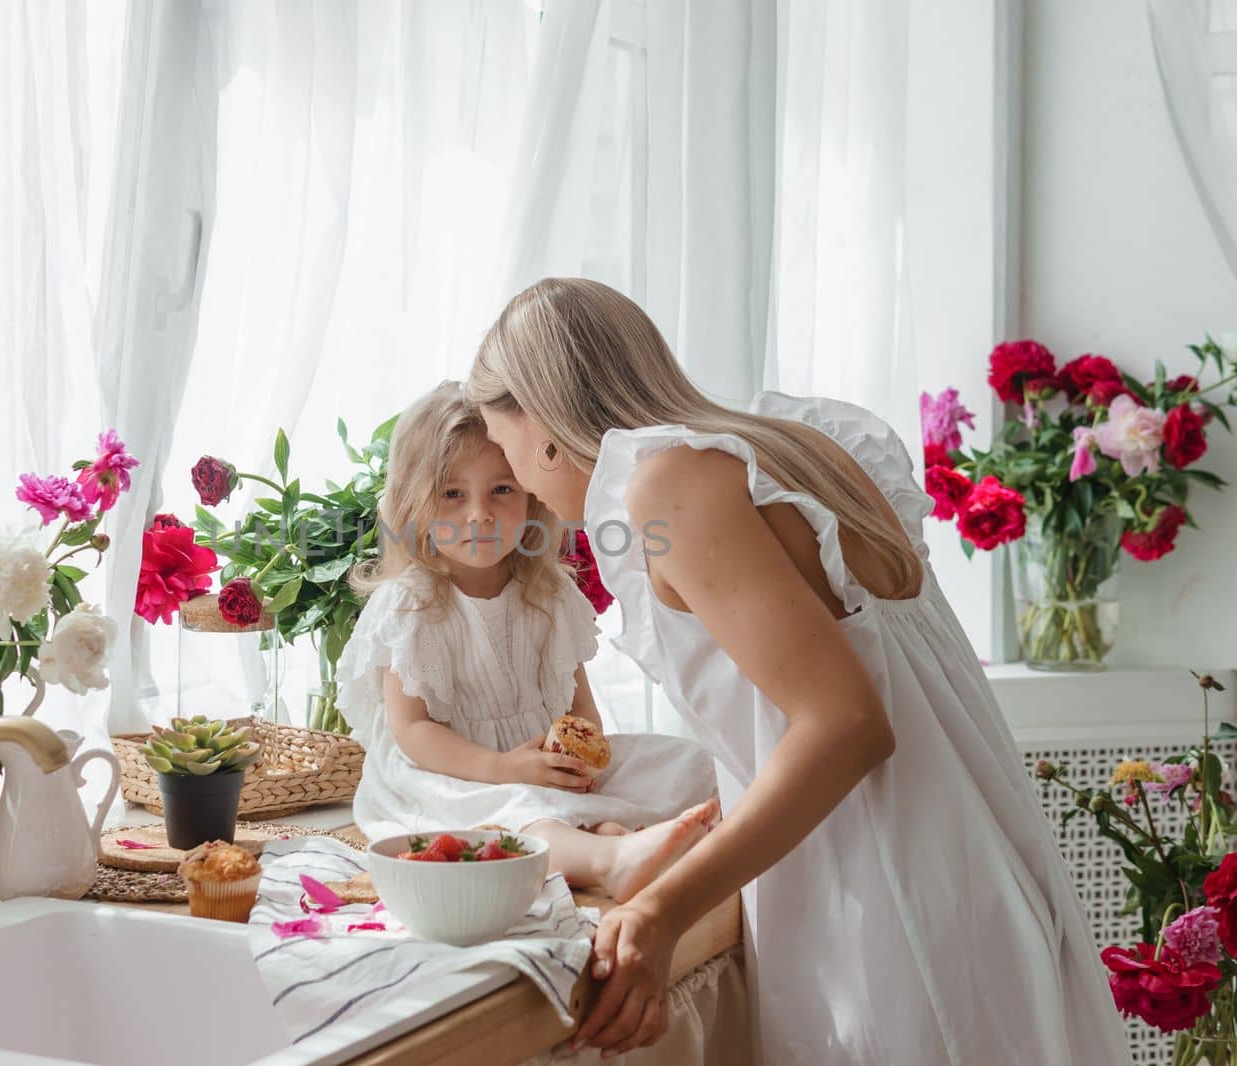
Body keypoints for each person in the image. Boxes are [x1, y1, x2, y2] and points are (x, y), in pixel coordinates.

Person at [466, 277, 1131, 1064]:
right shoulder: (793, 447)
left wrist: (659, 914)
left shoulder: (669, 485)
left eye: (508, 456)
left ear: (540, 429)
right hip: (971, 874)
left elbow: (846, 726)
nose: (533, 496)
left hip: (887, 909)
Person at [338, 382, 719, 901]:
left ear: (531, 494)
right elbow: (413, 731)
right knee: (518, 817)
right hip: (451, 770)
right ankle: (610, 859)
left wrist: (580, 757)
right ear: (414, 502)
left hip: (538, 760)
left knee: (688, 764)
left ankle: (612, 834)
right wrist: (500, 769)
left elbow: (578, 700)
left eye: (502, 490)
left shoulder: (547, 593)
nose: (480, 514)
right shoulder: (413, 603)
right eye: (453, 494)